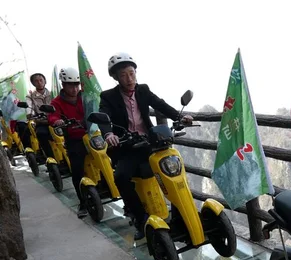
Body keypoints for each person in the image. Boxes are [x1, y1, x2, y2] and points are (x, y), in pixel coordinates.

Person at [99, 52, 193, 240]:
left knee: (173, 170)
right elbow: (104, 115)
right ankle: (140, 219)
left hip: (150, 142)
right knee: (121, 177)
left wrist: (179, 117)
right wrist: (108, 134)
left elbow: (160, 104)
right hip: (127, 146)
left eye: (131, 73)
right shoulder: (108, 96)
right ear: (116, 77)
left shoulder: (143, 90)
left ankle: (180, 216)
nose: (129, 78)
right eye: (123, 75)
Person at [47, 67, 88, 218]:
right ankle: (83, 202)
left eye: (77, 84)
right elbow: (52, 115)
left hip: (92, 135)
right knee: (77, 169)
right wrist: (56, 120)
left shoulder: (85, 96)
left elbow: (96, 105)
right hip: (74, 138)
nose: (74, 88)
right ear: (63, 85)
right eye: (71, 85)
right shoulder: (56, 102)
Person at [26, 73, 54, 159]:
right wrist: (31, 114)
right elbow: (29, 108)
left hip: (55, 121)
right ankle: (50, 158)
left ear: (45, 81)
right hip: (41, 122)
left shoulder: (53, 93)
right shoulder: (30, 96)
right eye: (36, 81)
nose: (39, 82)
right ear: (33, 84)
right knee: (41, 134)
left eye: (41, 80)